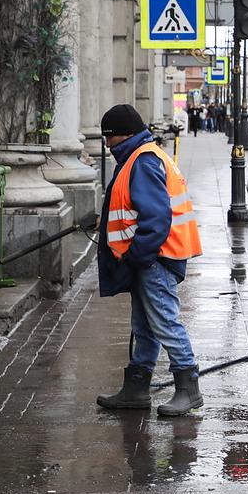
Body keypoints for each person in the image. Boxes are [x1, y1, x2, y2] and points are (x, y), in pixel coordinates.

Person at [94, 104, 204, 417]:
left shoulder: (142, 161)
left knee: (165, 322)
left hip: (155, 257)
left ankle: (188, 387)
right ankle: (136, 388)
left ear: (123, 135)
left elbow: (156, 218)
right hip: (155, 256)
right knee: (144, 325)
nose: (106, 144)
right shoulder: (142, 155)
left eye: (109, 137)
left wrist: (137, 257)